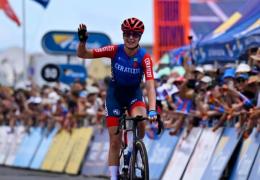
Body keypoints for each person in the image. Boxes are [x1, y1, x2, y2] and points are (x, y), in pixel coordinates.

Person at [77, 17, 157, 180]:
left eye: (135, 34)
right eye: (127, 33)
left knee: (141, 122)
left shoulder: (144, 57)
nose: (131, 37)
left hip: (134, 95)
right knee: (114, 141)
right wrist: (83, 41)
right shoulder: (114, 50)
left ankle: (131, 150)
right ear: (123, 35)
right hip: (115, 95)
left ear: (140, 36)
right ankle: (114, 177)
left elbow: (150, 86)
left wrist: (153, 109)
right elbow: (83, 54)